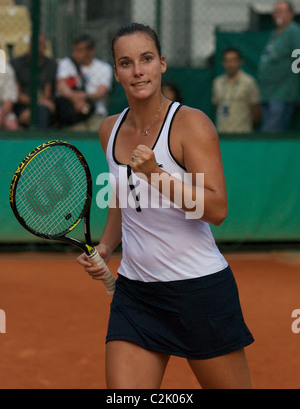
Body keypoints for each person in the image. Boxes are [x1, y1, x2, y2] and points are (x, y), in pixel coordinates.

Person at [77, 23, 254, 389]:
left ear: (162, 64)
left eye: (146, 59)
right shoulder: (109, 129)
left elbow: (217, 210)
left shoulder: (191, 123)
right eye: (126, 63)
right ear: (116, 72)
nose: (138, 70)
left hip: (199, 293)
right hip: (136, 296)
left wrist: (157, 175)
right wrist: (108, 246)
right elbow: (121, 198)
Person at [56, 34, 113, 131]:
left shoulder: (104, 68)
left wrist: (84, 97)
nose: (75, 54)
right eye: (74, 50)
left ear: (91, 52)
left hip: (96, 113)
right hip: (72, 112)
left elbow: (101, 92)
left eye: (80, 51)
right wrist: (74, 97)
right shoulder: (66, 63)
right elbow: (61, 85)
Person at [258, 1, 300, 133]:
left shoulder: (293, 31)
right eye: (275, 12)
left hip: (283, 94)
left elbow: (298, 57)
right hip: (267, 94)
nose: (277, 15)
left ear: (291, 14)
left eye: (281, 11)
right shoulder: (275, 34)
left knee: (272, 134)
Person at [11, 34, 57, 129]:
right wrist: (33, 106)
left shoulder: (50, 65)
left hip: (42, 105)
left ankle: (41, 141)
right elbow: (17, 94)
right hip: (21, 106)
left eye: (40, 44)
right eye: (34, 44)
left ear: (45, 47)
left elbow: (47, 93)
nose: (36, 48)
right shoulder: (17, 64)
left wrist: (35, 107)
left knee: (43, 110)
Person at [212, 47, 261, 133]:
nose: (230, 64)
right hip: (222, 133)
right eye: (227, 61)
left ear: (240, 62)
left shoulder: (249, 82)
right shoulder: (217, 82)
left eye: (233, 60)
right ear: (223, 63)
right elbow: (216, 105)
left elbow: (256, 110)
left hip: (242, 133)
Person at [0, 54, 19, 130]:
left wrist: (1, 119)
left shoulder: (6, 69)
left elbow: (9, 101)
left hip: (1, 111)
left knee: (12, 126)